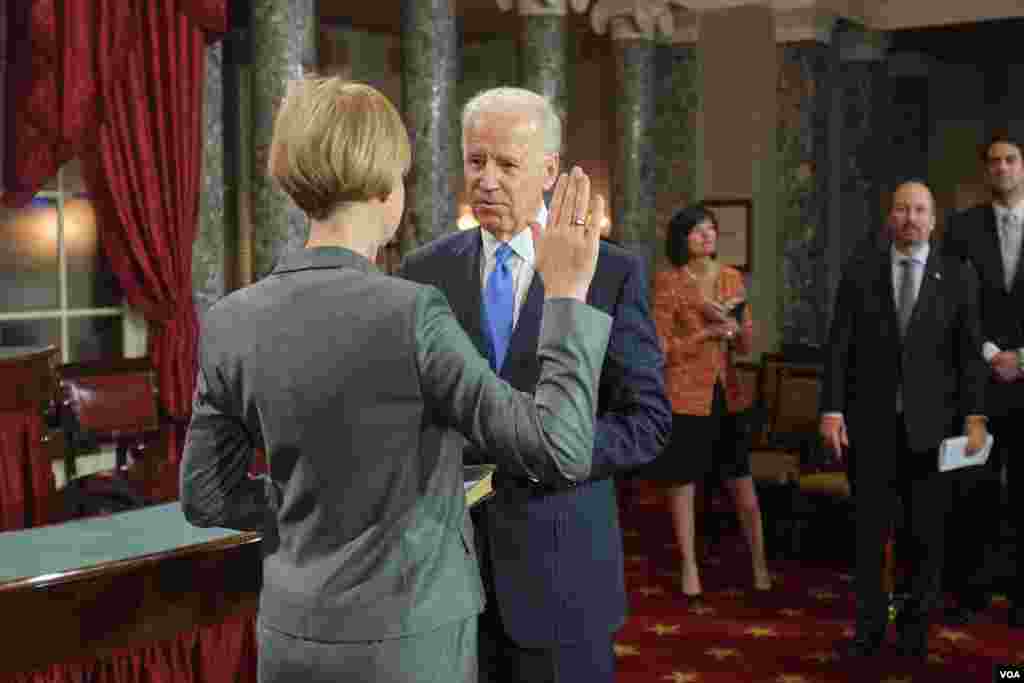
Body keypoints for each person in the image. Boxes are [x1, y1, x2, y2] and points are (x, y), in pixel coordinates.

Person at [179, 78, 614, 683]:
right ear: (388, 187)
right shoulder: (414, 312)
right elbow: (561, 446)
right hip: (410, 639)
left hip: (290, 633)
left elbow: (205, 496)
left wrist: (314, 504)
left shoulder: (229, 319)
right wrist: (566, 293)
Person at [400, 87, 671, 683]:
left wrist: (554, 447)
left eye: (507, 165)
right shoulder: (424, 270)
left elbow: (647, 421)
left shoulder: (611, 269)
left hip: (563, 575)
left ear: (549, 172)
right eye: (476, 162)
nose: (487, 181)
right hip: (447, 579)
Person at [820, 180, 988, 661]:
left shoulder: (958, 275)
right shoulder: (861, 270)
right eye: (902, 209)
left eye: (920, 210)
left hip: (933, 432)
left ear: (933, 220)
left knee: (924, 535)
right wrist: (831, 409)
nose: (911, 217)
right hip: (870, 427)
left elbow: (968, 355)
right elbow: (839, 347)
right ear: (889, 217)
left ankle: (914, 632)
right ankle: (869, 628)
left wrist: (975, 415)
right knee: (869, 534)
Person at [643, 204, 769, 601]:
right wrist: (704, 333)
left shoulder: (732, 279)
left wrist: (733, 330)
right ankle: (689, 568)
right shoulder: (668, 283)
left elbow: (748, 344)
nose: (707, 236)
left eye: (711, 229)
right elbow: (658, 349)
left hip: (728, 394)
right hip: (683, 395)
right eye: (697, 231)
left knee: (743, 485)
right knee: (683, 485)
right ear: (682, 239)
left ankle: (760, 566)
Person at [943, 132, 1024, 629]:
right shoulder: (962, 227)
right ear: (985, 170)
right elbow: (952, 303)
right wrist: (993, 353)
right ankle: (969, 590)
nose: (1002, 168)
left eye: (1011, 159)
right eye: (993, 161)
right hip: (977, 380)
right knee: (972, 488)